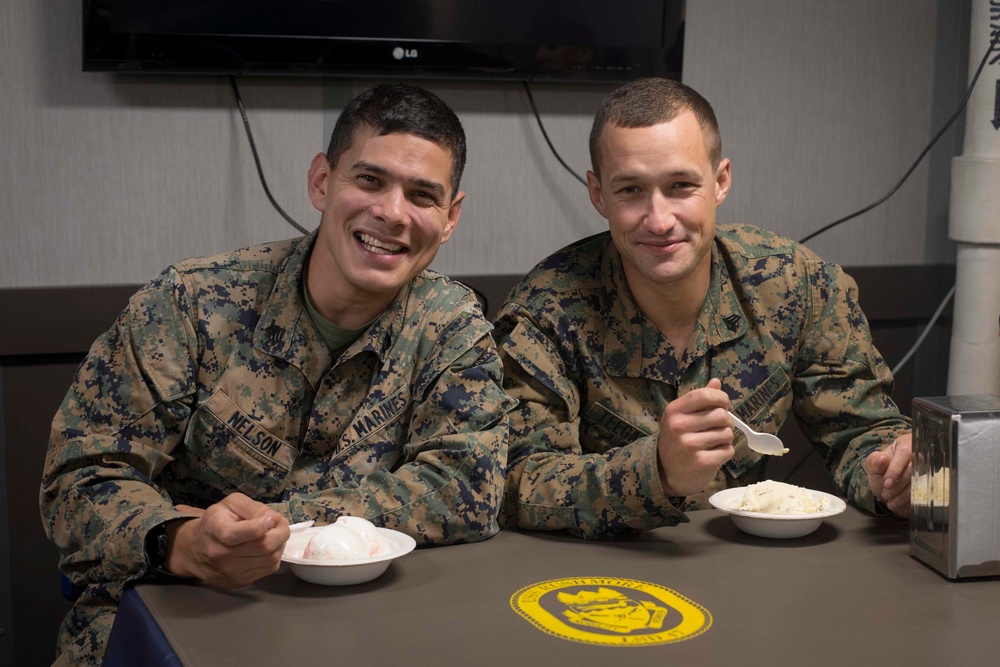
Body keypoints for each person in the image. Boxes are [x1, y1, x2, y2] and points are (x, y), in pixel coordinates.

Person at [40, 83, 514, 665]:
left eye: (422, 194)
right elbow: (80, 479)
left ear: (449, 218)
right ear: (321, 182)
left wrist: (284, 525)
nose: (392, 213)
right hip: (176, 608)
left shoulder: (453, 327)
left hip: (361, 626)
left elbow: (468, 489)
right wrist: (179, 540)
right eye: (369, 180)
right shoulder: (189, 304)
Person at [492, 77, 913, 539]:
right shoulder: (546, 312)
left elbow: (862, 432)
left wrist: (889, 476)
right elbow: (516, 481)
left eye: (680, 185)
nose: (659, 220)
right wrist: (656, 471)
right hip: (603, 571)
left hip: (749, 561)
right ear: (598, 195)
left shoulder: (797, 285)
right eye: (630, 190)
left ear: (720, 182)